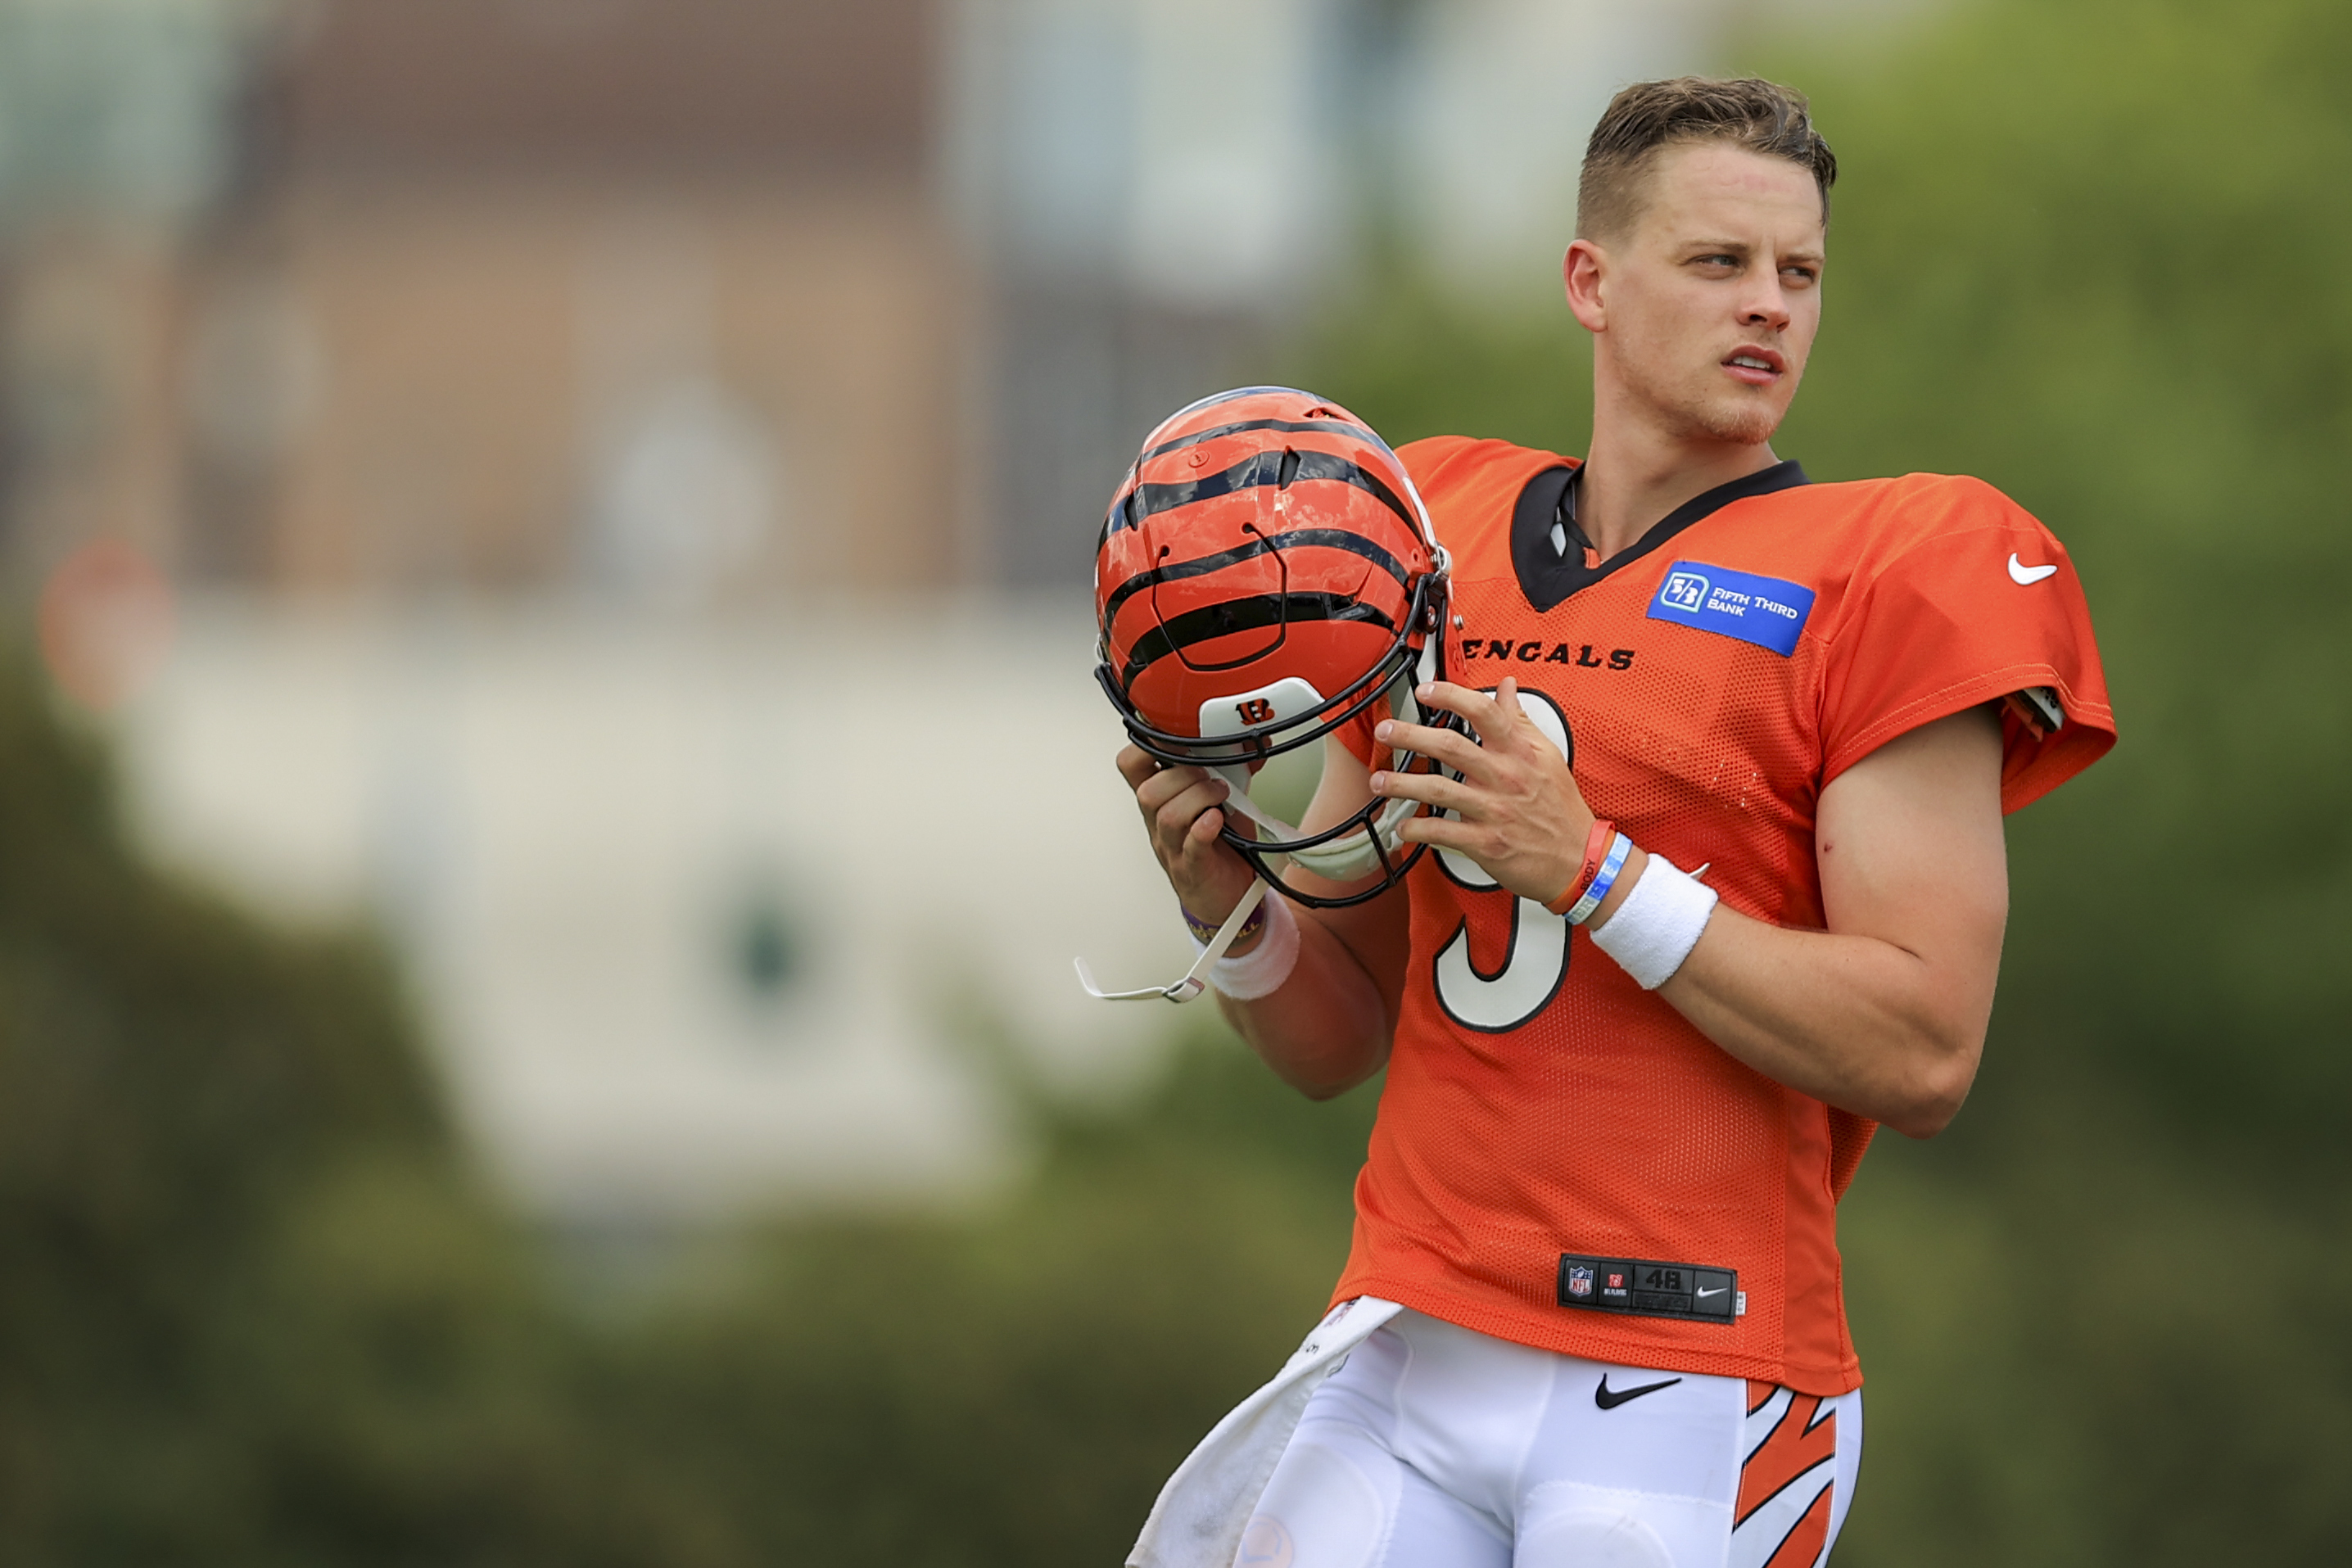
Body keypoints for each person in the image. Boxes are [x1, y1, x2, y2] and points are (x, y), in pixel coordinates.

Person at [1108, 78, 2115, 1568]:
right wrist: (1230, 905)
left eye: (1800, 273)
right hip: (1413, 1335)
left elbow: (1924, 1048)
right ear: (1593, 280)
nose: (1769, 306)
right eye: (1720, 263)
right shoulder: (1424, 533)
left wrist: (1589, 867)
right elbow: (1335, 1044)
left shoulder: (1890, 565)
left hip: (1693, 1373)